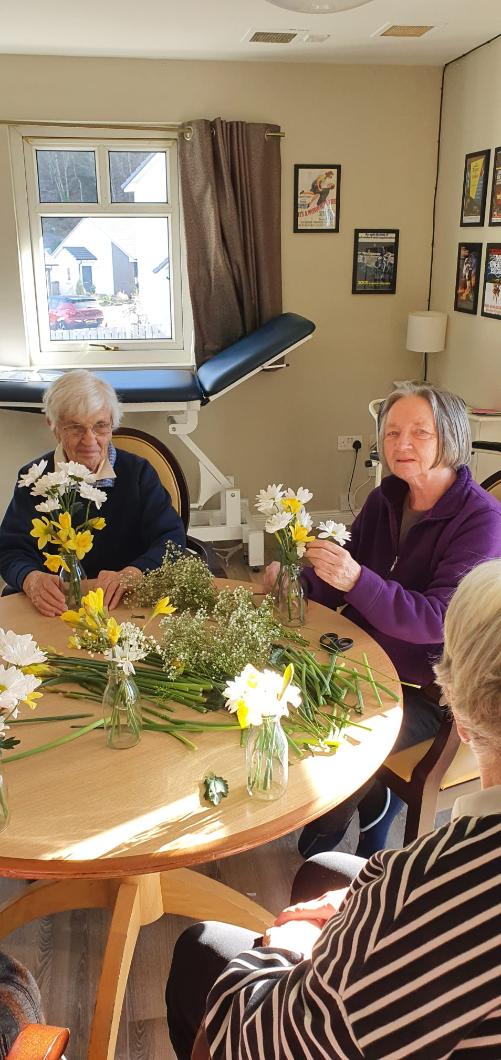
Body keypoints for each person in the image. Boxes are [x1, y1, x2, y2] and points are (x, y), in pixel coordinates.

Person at [166, 558, 501, 1059]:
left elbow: (264, 1038)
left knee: (201, 946)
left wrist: (287, 944)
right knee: (326, 872)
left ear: (457, 701)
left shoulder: (445, 885)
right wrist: (360, 909)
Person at [264, 381, 501, 857]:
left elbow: (438, 620)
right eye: (392, 433)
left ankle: (328, 834)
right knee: (273, 687)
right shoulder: (386, 499)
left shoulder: (482, 519)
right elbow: (341, 572)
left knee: (326, 740)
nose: (402, 444)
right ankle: (373, 810)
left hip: (429, 692)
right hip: (365, 658)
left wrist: (357, 582)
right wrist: (297, 584)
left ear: (450, 439)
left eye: (419, 432)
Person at [0, 370, 186, 615]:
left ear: (112, 424)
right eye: (75, 428)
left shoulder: (138, 473)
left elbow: (171, 539)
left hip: (126, 601)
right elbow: (10, 548)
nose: (90, 440)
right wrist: (30, 578)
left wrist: (134, 573)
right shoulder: (35, 479)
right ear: (53, 426)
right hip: (57, 606)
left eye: (100, 426)